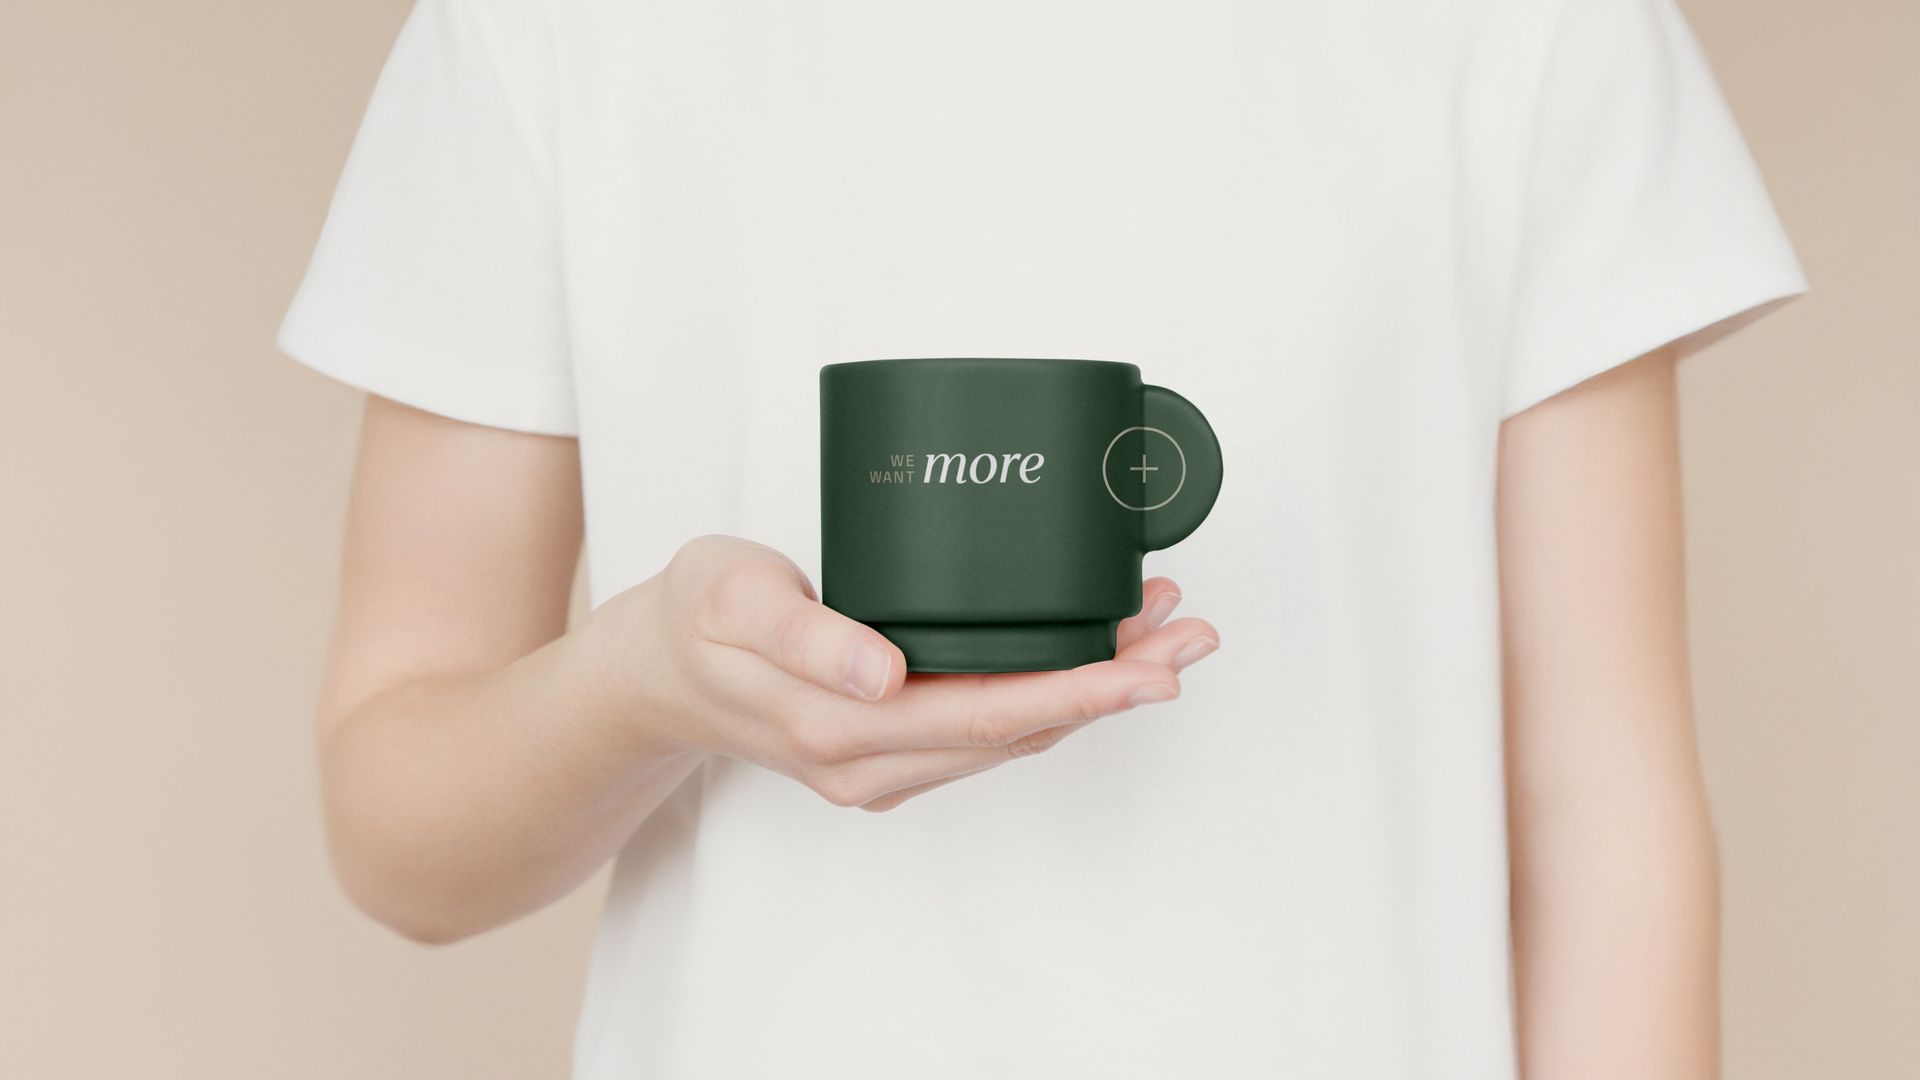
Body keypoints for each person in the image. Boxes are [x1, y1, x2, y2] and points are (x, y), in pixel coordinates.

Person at [277, 0, 1805, 1076]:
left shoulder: (1533, 26)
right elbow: (397, 829)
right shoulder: (548, 29)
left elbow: (1601, 814)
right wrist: (650, 685)